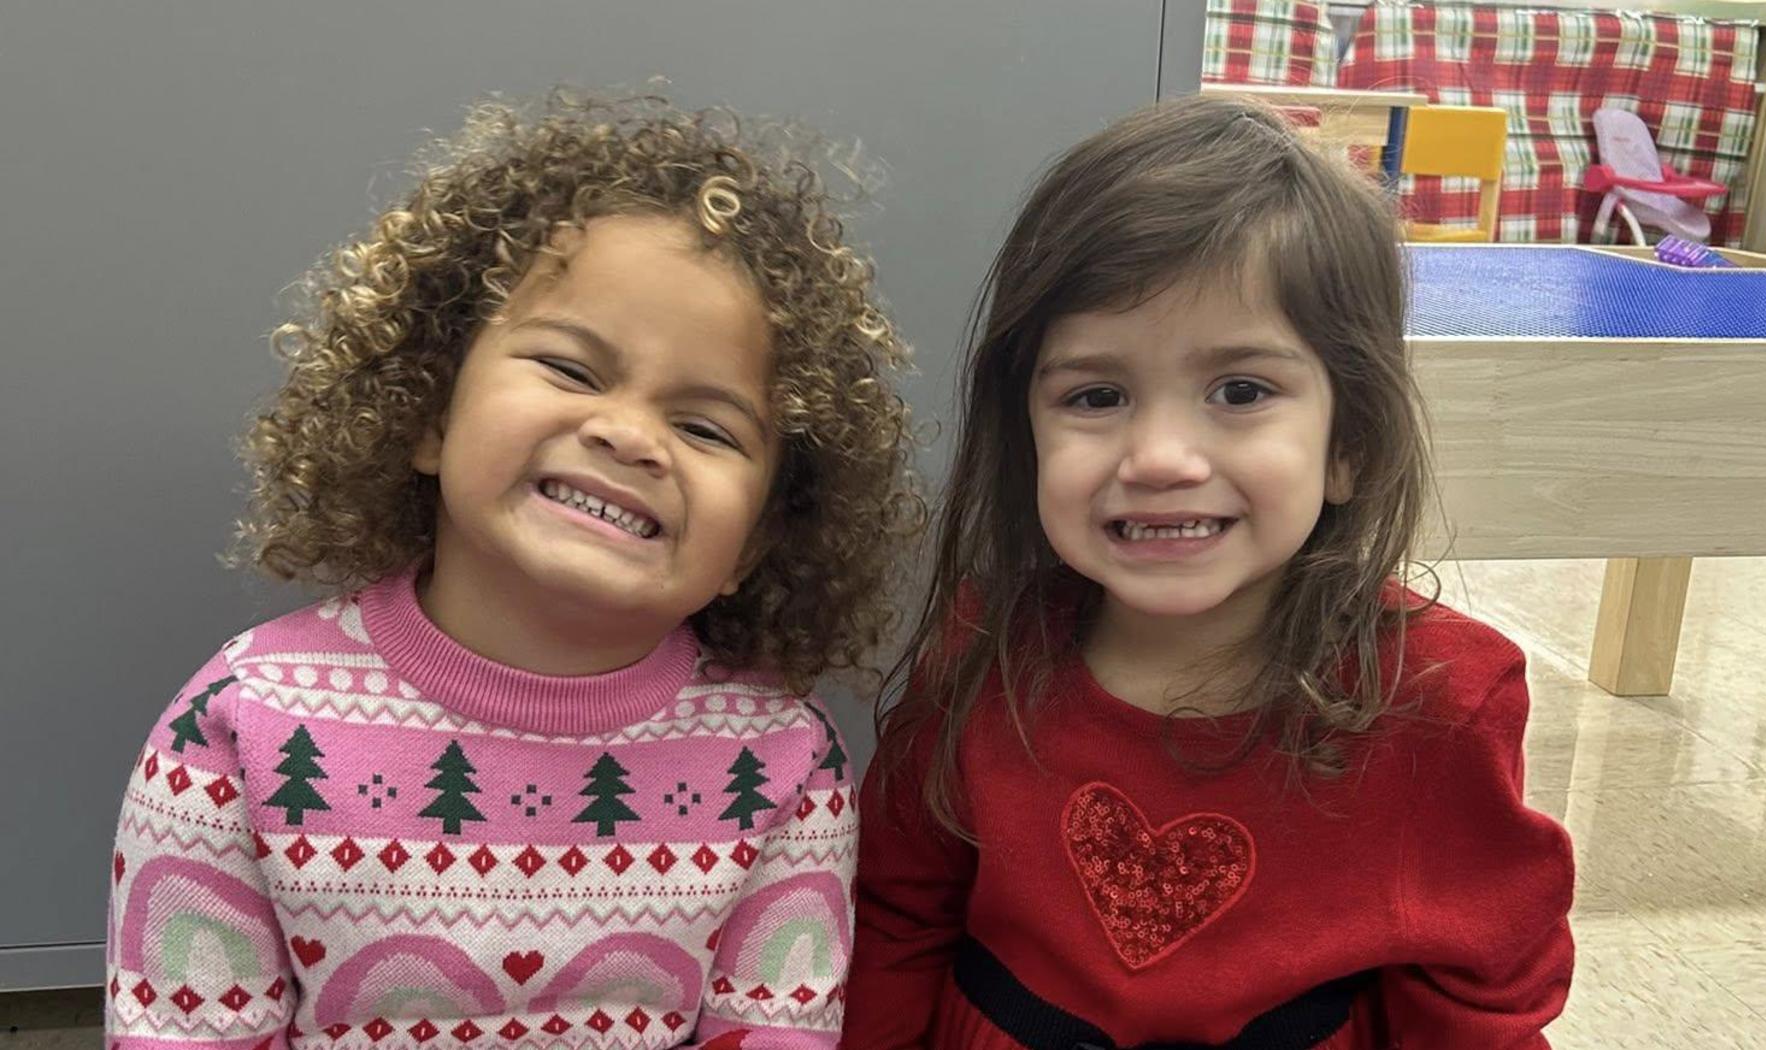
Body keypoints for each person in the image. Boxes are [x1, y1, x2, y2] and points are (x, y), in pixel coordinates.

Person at [105, 92, 921, 1050]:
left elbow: (776, 1029)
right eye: (572, 370)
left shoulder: (786, 757)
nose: (627, 434)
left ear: (753, 547)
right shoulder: (238, 724)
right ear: (430, 416)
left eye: (704, 427)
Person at [845, 96, 1574, 1049]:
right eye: (1097, 395)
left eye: (1241, 391)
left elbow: (1481, 1002)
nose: (1159, 456)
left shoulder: (1440, 700)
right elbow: (900, 920)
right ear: (1029, 437)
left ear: (1348, 439)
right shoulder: (978, 647)